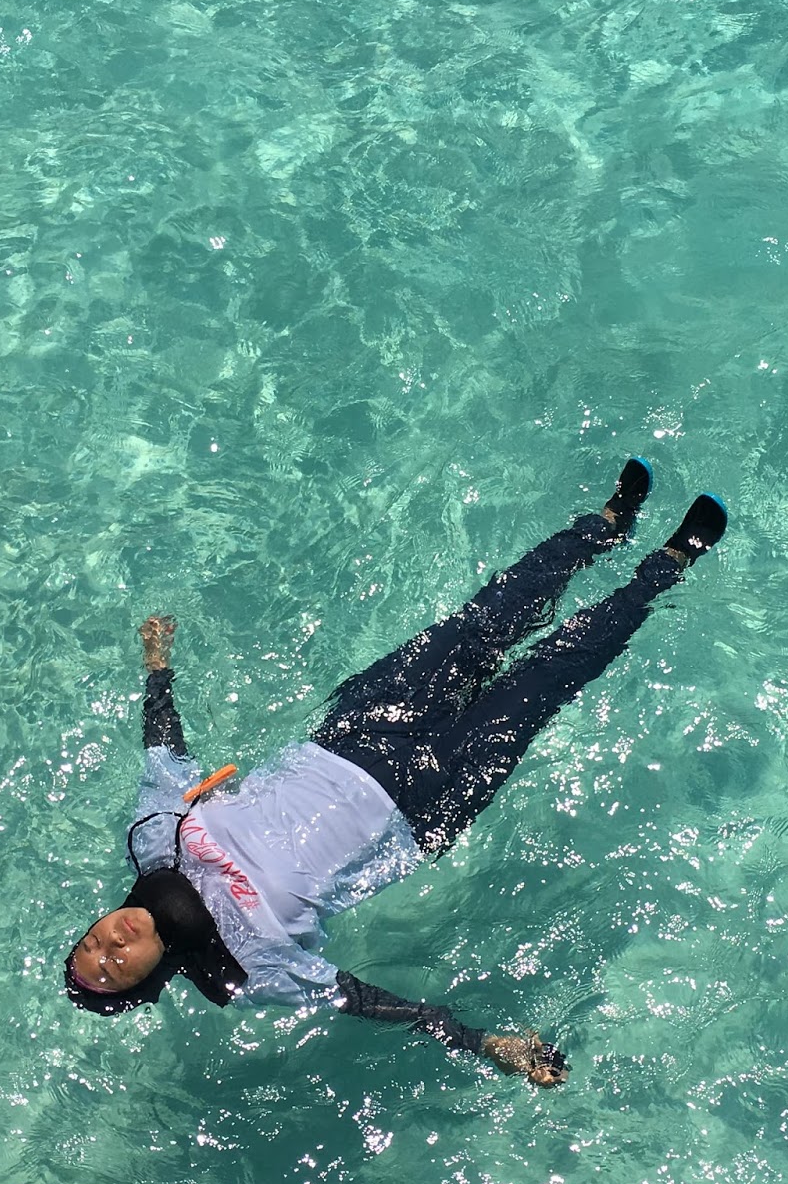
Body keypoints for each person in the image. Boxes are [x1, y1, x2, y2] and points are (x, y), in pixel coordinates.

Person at [62, 459, 727, 1087]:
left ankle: (605, 526)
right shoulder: (247, 970)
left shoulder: (155, 842)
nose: (113, 942)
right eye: (115, 967)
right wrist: (482, 1042)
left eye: (95, 940)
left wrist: (157, 668)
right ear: (148, 984)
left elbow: (165, 754)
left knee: (488, 618)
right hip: (421, 808)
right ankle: (666, 568)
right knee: (551, 674)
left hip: (355, 729)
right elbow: (361, 999)